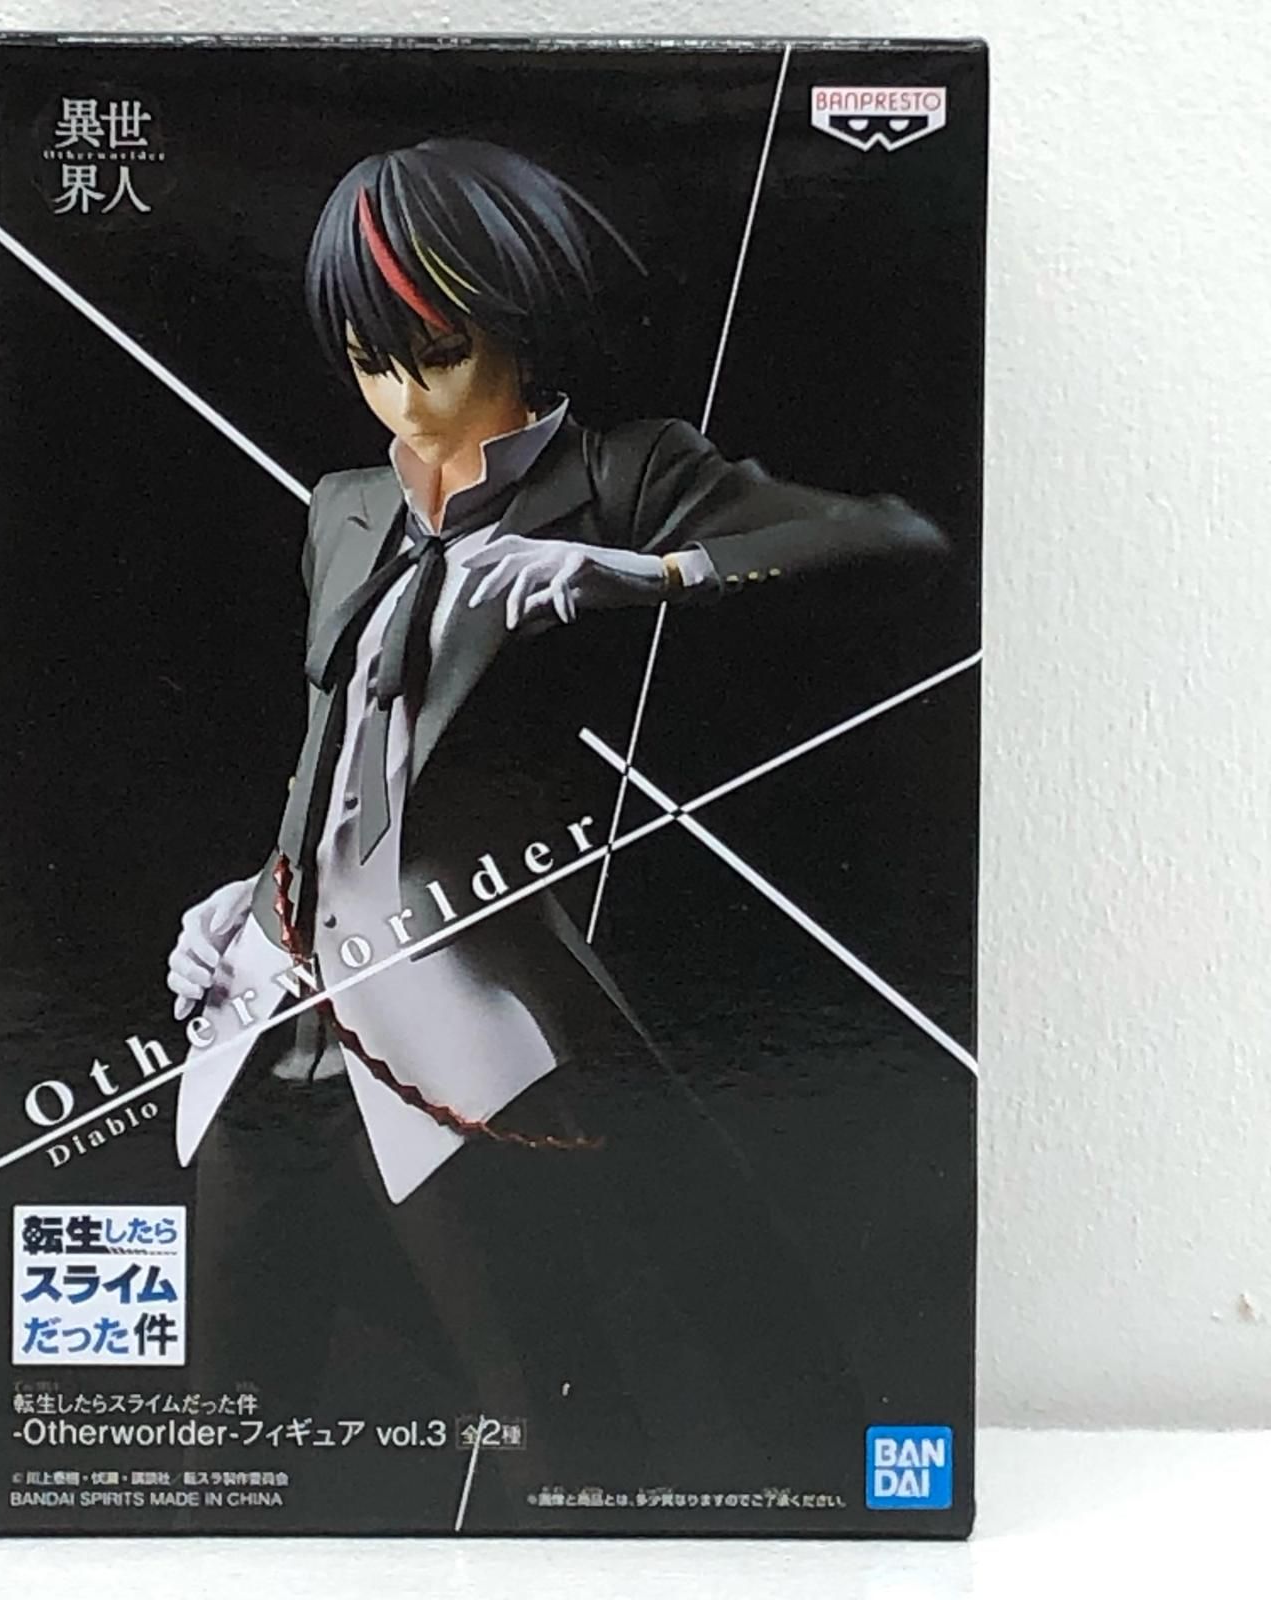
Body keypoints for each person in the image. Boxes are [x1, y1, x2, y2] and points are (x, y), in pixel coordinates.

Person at [166, 139, 948, 1523]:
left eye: (438, 355)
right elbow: (334, 753)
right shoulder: (345, 509)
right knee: (217, 1418)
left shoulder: (622, 475)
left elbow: (888, 540)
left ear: (519, 321)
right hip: (272, 1006)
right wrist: (249, 892)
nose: (405, 398)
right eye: (369, 361)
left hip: (466, 1007)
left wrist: (642, 570)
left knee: (550, 1412)